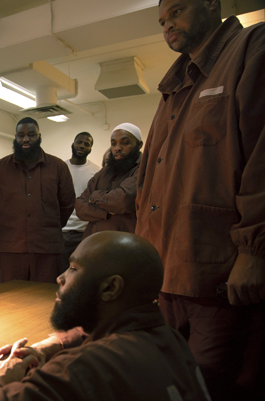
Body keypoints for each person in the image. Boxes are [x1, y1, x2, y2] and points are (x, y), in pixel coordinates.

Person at [136, 1, 265, 399]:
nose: (167, 25)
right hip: (165, 272)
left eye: (176, 11)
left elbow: (262, 155)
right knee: (167, 381)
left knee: (213, 385)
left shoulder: (250, 47)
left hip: (218, 276)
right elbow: (151, 184)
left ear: (211, 3)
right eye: (162, 21)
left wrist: (255, 251)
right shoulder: (171, 87)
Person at [0, 231, 212, 401]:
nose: (60, 277)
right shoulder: (171, 340)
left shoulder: (86, 367)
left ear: (110, 287)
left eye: (72, 268)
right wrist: (52, 344)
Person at [0, 117, 75, 284]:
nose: (25, 139)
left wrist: (48, 226)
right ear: (15, 137)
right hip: (11, 247)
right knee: (11, 298)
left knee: (43, 299)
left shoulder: (58, 167)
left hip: (47, 249)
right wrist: (10, 225)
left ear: (39, 136)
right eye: (21, 135)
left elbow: (67, 203)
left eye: (31, 134)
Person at [75, 123, 142, 238]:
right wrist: (105, 212)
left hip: (125, 244)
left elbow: (122, 200)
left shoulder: (142, 170)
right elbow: (80, 206)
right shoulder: (104, 172)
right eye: (113, 143)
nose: (117, 148)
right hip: (93, 243)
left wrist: (94, 196)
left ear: (139, 144)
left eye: (125, 143)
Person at [60, 132, 100, 272]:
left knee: (81, 273)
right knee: (60, 272)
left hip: (84, 232)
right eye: (79, 142)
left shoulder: (96, 172)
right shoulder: (61, 168)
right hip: (62, 231)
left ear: (90, 149)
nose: (82, 146)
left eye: (86, 144)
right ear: (73, 144)